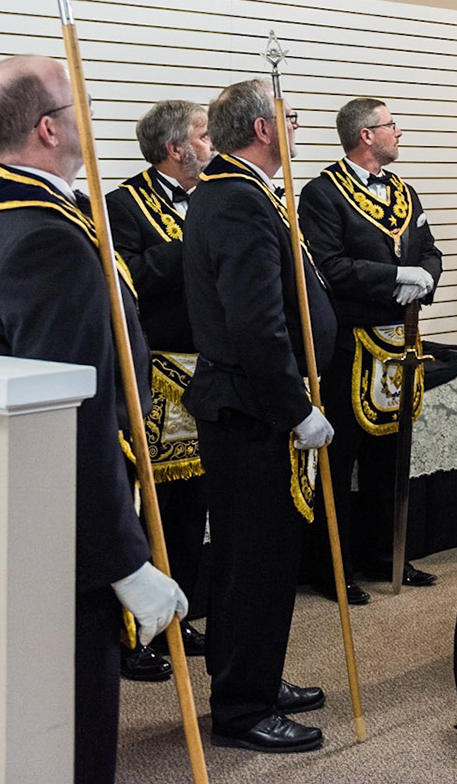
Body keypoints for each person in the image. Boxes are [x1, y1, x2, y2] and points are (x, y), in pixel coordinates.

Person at [0, 55, 185, 784]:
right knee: (77, 731)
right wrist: (125, 560)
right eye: (77, 103)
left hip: (40, 512)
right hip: (71, 531)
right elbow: (72, 414)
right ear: (48, 128)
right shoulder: (45, 232)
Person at [183, 79, 336, 754]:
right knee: (255, 560)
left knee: (260, 558)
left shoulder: (234, 191)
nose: (298, 128)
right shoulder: (239, 199)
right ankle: (242, 707)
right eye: (292, 118)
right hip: (252, 406)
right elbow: (257, 323)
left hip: (249, 402)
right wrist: (296, 407)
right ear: (264, 129)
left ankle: (253, 675)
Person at [300, 97, 444, 590]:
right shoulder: (322, 193)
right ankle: (332, 569)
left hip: (401, 340)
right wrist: (394, 277)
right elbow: (329, 267)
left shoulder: (405, 191)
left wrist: (424, 277)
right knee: (340, 465)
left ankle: (387, 556)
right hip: (348, 345)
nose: (398, 133)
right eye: (391, 125)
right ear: (366, 135)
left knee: (391, 459)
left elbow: (431, 250)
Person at [105, 99, 213, 680]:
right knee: (147, 505)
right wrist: (192, 248)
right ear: (176, 149)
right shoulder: (122, 203)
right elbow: (130, 277)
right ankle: (136, 635)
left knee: (192, 506)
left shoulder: (219, 195)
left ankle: (180, 612)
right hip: (153, 376)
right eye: (203, 134)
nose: (213, 143)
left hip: (206, 373)